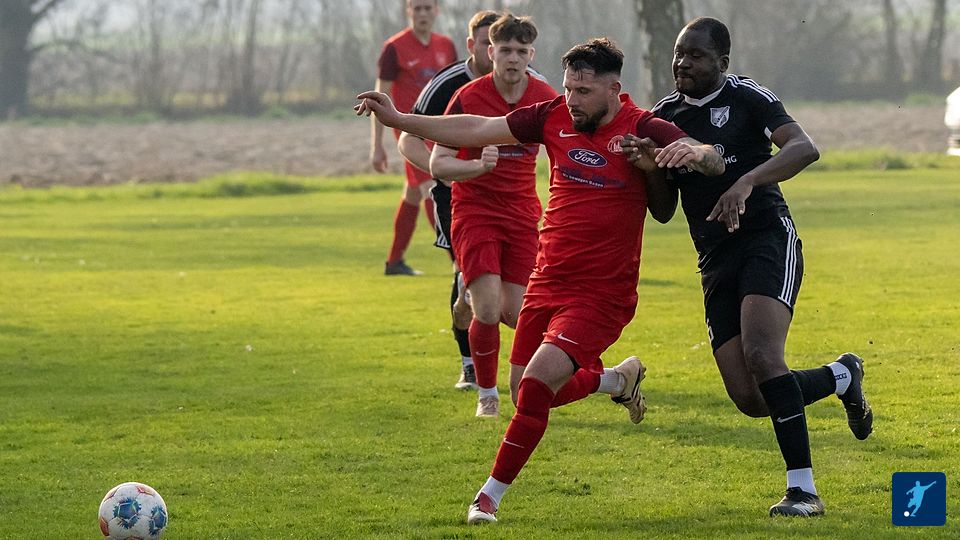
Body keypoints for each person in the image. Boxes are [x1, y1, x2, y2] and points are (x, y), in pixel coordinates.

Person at [356, 37, 724, 524]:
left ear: (613, 89)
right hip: (547, 279)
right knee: (524, 391)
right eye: (568, 88)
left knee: (532, 388)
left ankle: (487, 497)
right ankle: (616, 379)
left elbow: (708, 156)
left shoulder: (642, 127)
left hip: (601, 294)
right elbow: (477, 127)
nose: (572, 100)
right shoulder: (552, 115)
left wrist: (690, 152)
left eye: (583, 92)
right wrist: (401, 120)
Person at [623, 16, 874, 517]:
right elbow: (664, 211)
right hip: (714, 257)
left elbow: (804, 147)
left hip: (766, 238)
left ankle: (803, 491)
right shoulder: (664, 116)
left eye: (696, 55)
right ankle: (842, 376)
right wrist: (651, 171)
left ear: (723, 62)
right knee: (751, 399)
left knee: (763, 355)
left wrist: (747, 181)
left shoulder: (747, 97)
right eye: (679, 53)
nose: (682, 63)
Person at [430, 13, 557, 417]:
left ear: (531, 55)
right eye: (505, 50)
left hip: (521, 215)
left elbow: (564, 150)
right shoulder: (468, 96)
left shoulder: (544, 97)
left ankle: (466, 291)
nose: (513, 58)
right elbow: (438, 163)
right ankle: (488, 395)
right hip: (476, 211)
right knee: (487, 309)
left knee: (515, 314)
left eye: (521, 51)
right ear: (491, 52)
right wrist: (476, 167)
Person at [397, 10, 499, 392]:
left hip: (508, 201)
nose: (496, 53)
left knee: (507, 289)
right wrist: (439, 170)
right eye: (488, 44)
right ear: (472, 45)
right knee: (469, 275)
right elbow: (407, 136)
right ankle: (470, 365)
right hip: (455, 196)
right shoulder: (448, 84)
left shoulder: (526, 83)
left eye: (503, 45)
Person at [371, 0, 457, 276]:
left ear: (436, 11)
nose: (422, 13)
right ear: (408, 11)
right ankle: (459, 262)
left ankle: (394, 262)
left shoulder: (446, 45)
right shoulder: (394, 48)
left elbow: (457, 89)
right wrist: (377, 146)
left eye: (427, 8)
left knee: (412, 194)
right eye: (417, 8)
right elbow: (379, 98)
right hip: (410, 134)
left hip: (438, 128)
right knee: (432, 187)